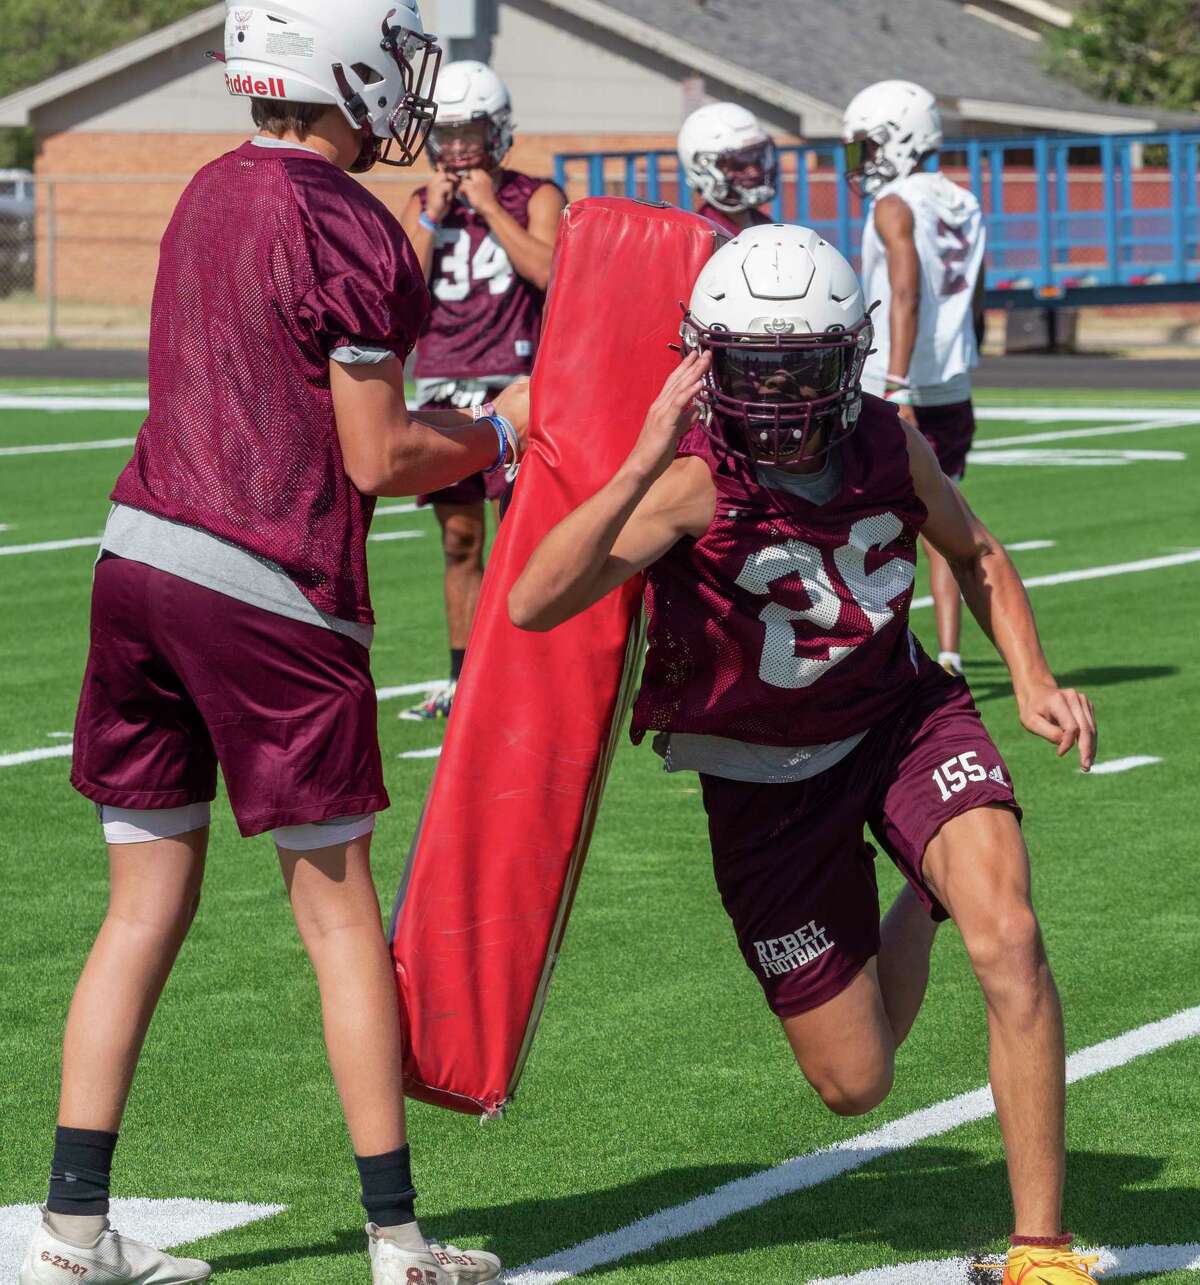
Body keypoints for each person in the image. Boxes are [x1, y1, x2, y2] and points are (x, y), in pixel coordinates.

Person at [20, 4, 524, 1283]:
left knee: (141, 907)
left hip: (137, 559)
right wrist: (500, 433)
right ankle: (398, 1239)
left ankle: (73, 1230)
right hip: (268, 584)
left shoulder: (203, 188)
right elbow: (382, 456)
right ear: (341, 67)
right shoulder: (351, 221)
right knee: (340, 912)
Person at [509, 224, 1099, 1285]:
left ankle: (1042, 1249)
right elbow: (533, 600)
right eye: (754, 369)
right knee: (855, 1082)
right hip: (762, 781)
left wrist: (1036, 676)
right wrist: (644, 455)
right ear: (706, 362)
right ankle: (925, 892)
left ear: (850, 357)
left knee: (1010, 934)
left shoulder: (886, 438)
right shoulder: (693, 481)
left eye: (802, 368)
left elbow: (979, 550)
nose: (779, 397)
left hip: (900, 718)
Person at [399, 60, 566, 721]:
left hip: (515, 388)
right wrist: (431, 220)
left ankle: (527, 670)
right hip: (443, 388)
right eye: (447, 134)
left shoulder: (536, 195)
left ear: (497, 135)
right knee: (459, 540)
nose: (458, 148)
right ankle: (462, 676)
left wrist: (491, 207)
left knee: (524, 539)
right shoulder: (420, 200)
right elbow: (393, 290)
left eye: (470, 132)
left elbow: (554, 273)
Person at [842, 79, 987, 679]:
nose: (863, 162)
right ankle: (949, 654)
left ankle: (866, 652)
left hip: (898, 385)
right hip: (953, 384)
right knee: (947, 524)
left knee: (862, 522)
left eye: (869, 146)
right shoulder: (964, 200)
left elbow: (904, 291)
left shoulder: (894, 203)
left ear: (903, 138)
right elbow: (972, 294)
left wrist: (896, 382)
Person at [677, 101, 778, 236]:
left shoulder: (764, 224)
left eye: (757, 160)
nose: (754, 171)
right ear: (703, 167)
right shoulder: (701, 238)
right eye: (738, 164)